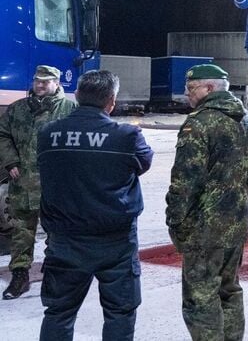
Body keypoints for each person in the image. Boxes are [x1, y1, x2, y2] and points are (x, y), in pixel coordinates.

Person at [36, 70, 154, 340]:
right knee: (119, 313)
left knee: (59, 313)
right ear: (111, 101)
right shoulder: (126, 136)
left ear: (77, 96)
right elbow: (143, 163)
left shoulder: (48, 133)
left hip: (64, 241)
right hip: (116, 242)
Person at [166, 64, 248, 340]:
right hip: (235, 224)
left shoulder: (199, 123)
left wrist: (175, 220)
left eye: (192, 88)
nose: (187, 94)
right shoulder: (246, 122)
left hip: (203, 229)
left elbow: (185, 182)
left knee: (201, 299)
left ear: (210, 88)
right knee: (229, 290)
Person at [0, 65, 77, 300]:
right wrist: (10, 162)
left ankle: (54, 270)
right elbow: (3, 135)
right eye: (37, 80)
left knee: (57, 230)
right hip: (23, 182)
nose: (40, 85)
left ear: (57, 83)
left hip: (56, 184)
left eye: (45, 81)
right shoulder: (19, 109)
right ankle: (20, 274)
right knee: (21, 230)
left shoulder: (70, 109)